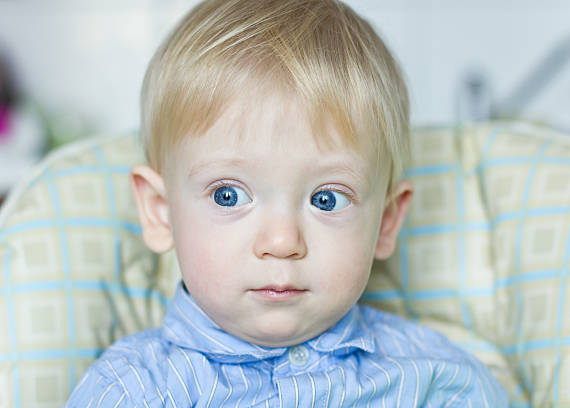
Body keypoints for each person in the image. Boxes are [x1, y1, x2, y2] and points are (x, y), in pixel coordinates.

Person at [66, 0, 509, 406]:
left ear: (387, 221)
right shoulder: (131, 391)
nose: (282, 242)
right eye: (228, 195)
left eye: (326, 199)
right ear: (161, 211)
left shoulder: (438, 383)